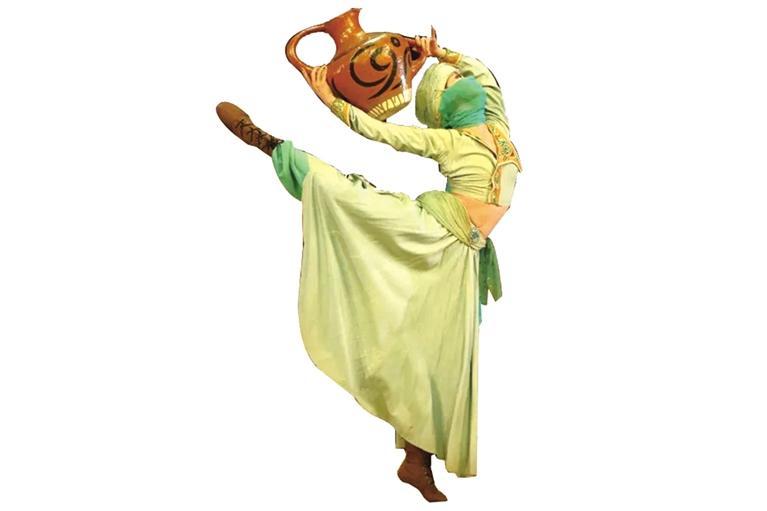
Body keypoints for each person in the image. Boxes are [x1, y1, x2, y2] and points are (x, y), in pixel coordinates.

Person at [215, 28, 521, 503]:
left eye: (459, 78)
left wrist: (441, 53)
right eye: (451, 82)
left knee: (437, 358)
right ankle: (278, 149)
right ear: (443, 107)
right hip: (433, 231)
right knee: (355, 199)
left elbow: (483, 73)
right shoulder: (449, 140)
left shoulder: (498, 127)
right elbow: (378, 131)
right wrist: (328, 98)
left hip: (462, 255)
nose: (464, 80)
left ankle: (416, 462)